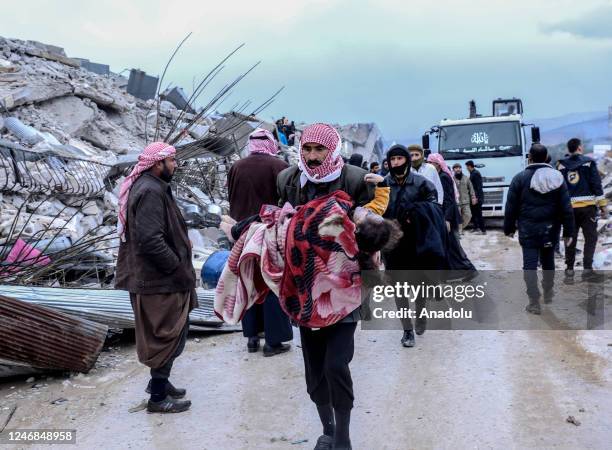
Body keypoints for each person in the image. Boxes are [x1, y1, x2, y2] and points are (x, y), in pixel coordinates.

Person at [276, 123, 375, 450]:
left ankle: (343, 437)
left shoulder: (357, 180)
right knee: (315, 370)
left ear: (332, 150)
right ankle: (327, 429)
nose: (313, 157)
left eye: (320, 150)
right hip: (305, 289)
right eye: (307, 149)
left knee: (336, 364)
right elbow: (281, 221)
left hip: (346, 288)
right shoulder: (290, 181)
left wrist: (367, 222)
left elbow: (376, 230)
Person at [115, 142, 197, 413]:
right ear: (156, 164)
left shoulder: (153, 186)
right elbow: (150, 240)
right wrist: (175, 265)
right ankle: (158, 398)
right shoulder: (150, 191)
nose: (175, 165)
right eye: (171, 161)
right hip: (159, 281)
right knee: (166, 335)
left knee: (172, 332)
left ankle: (159, 384)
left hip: (160, 278)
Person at [227, 128, 293, 356]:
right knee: (273, 282)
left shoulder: (236, 167)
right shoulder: (280, 167)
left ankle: (253, 337)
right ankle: (274, 342)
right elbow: (287, 204)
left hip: (242, 233)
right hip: (270, 234)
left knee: (248, 280)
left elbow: (231, 198)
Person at [504, 144, 574, 314]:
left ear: (529, 157)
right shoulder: (557, 177)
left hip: (528, 230)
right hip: (550, 230)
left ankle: (534, 302)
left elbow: (511, 206)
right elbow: (566, 207)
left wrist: (509, 228)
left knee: (529, 265)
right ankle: (548, 292)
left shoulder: (519, 178)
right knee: (548, 262)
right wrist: (568, 232)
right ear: (546, 157)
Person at [382, 145, 438, 348]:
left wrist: (414, 214)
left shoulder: (423, 184)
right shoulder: (382, 185)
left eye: (399, 158)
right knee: (399, 289)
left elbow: (434, 209)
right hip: (393, 247)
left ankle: (421, 316)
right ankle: (407, 330)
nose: (396, 163)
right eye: (392, 159)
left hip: (417, 245)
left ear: (406, 160)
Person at [557, 138, 607, 281]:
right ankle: (587, 270)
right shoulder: (588, 163)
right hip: (587, 209)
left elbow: (558, 188)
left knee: (570, 239)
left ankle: (569, 272)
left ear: (569, 149)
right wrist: (603, 206)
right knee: (590, 238)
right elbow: (596, 185)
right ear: (579, 148)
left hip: (569, 210)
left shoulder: (560, 165)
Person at [428, 154, 476, 274]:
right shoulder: (438, 176)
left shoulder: (443, 177)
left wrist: (447, 219)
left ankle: (469, 271)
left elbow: (448, 200)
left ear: (438, 164)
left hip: (448, 217)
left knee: (454, 246)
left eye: (431, 163)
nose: (429, 165)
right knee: (448, 247)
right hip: (444, 216)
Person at [453, 163, 477, 234]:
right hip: (457, 202)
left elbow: (471, 188)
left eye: (459, 168)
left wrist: (473, 197)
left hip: (466, 201)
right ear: (453, 170)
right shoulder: (452, 178)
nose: (458, 169)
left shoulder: (466, 178)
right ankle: (459, 231)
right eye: (456, 168)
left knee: (468, 216)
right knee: (458, 218)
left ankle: (459, 228)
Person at [465, 160, 486, 234]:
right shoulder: (472, 173)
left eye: (467, 167)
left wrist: (475, 198)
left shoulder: (475, 174)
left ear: (469, 166)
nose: (466, 168)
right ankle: (476, 227)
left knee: (478, 214)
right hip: (473, 197)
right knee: (474, 213)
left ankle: (483, 230)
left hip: (477, 198)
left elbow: (478, 187)